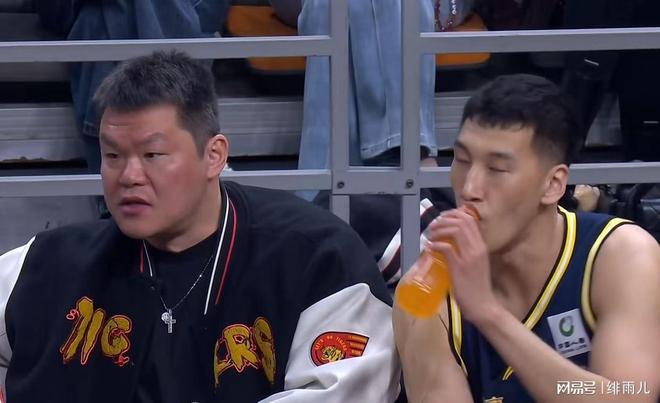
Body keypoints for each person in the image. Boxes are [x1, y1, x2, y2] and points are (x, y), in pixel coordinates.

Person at [0, 51, 400, 403]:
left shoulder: (316, 258)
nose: (129, 176)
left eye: (153, 155)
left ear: (214, 155)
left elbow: (348, 391)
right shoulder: (51, 264)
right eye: (113, 156)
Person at [392, 74, 660, 402]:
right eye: (461, 161)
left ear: (553, 185)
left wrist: (489, 315)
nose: (469, 188)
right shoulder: (427, 295)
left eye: (497, 169)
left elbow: (631, 396)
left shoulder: (623, 256)